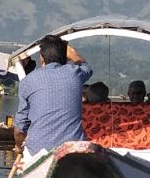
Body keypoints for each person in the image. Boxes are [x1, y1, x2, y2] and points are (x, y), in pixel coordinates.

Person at [13, 34, 92, 162]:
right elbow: (86, 67)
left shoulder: (27, 81)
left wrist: (18, 147)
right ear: (65, 58)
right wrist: (73, 53)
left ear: (41, 58)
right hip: (73, 152)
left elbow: (20, 129)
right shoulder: (75, 73)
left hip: (37, 151)